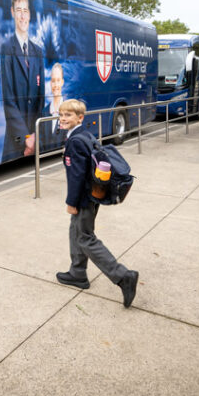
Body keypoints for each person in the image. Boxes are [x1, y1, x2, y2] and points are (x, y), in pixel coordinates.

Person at [55, 98, 139, 308]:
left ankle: (123, 276)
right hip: (93, 194)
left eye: (68, 115)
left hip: (83, 197)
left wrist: (71, 202)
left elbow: (76, 175)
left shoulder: (75, 141)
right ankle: (77, 273)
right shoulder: (85, 135)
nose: (63, 119)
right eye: (62, 114)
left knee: (85, 238)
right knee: (76, 231)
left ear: (80, 118)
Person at [0, 0, 45, 159]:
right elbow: (9, 100)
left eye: (25, 11)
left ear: (30, 15)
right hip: (15, 139)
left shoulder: (38, 52)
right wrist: (26, 137)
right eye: (18, 10)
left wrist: (34, 134)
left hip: (34, 137)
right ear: (12, 12)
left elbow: (41, 99)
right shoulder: (6, 48)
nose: (22, 16)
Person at [44, 62, 66, 148]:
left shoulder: (69, 111)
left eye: (58, 80)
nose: (55, 85)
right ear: (50, 83)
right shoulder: (44, 111)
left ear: (62, 82)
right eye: (53, 81)